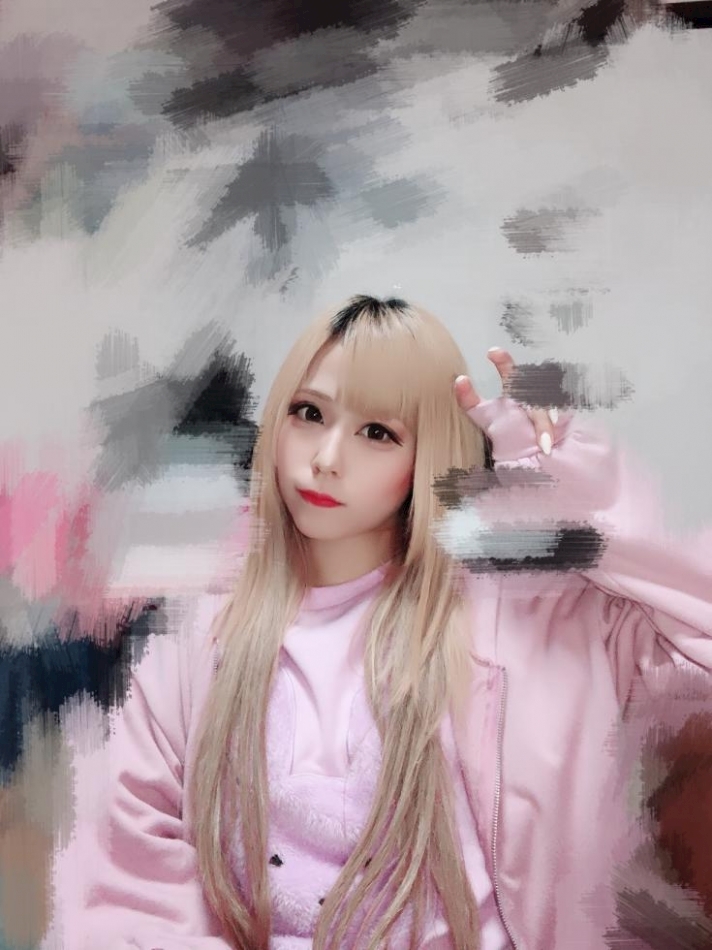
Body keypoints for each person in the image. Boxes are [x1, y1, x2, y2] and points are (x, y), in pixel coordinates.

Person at [53, 295, 712, 950]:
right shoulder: (193, 641)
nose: (327, 457)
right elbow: (124, 886)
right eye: (309, 413)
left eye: (377, 433)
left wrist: (571, 482)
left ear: (427, 456)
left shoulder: (519, 621)